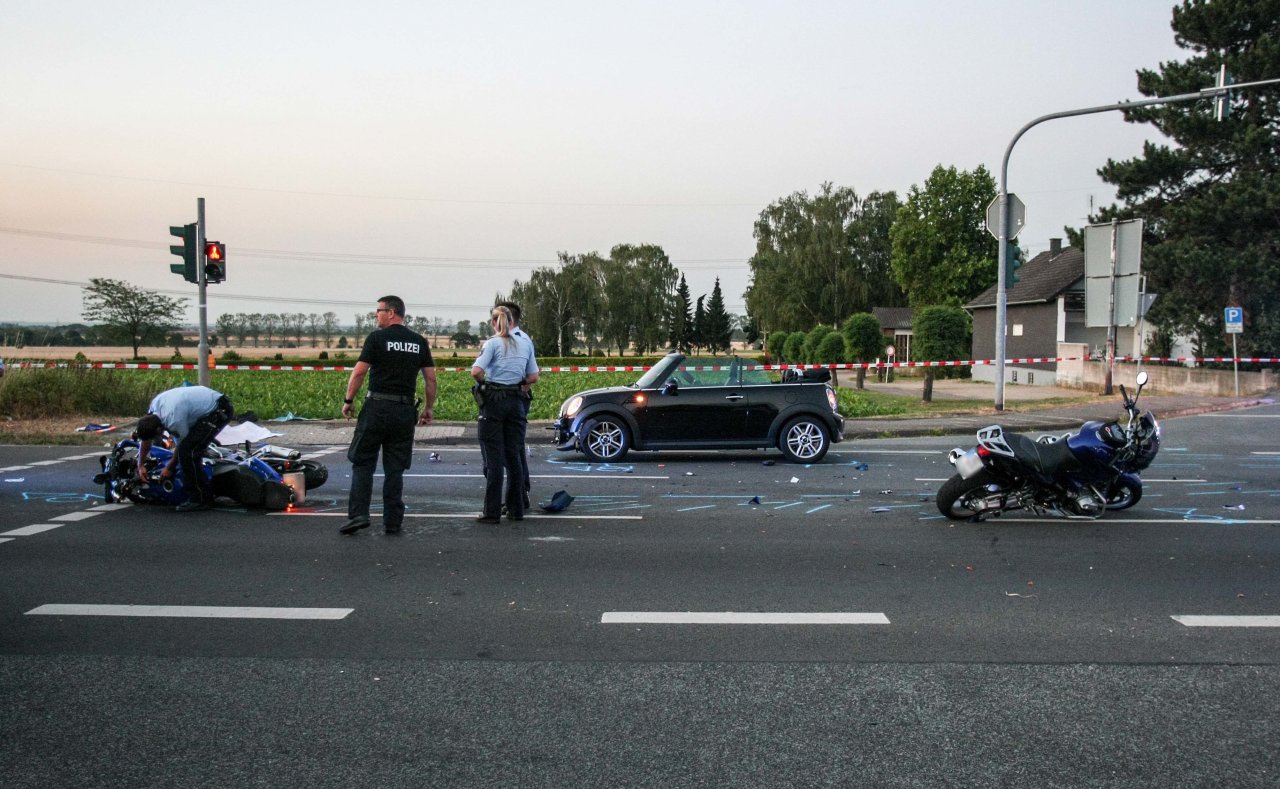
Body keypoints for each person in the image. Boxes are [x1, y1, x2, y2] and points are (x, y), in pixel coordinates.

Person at [340, 296, 437, 536]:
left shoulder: (376, 338)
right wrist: (428, 408)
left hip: (377, 408)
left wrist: (349, 400)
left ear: (392, 312)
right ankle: (393, 521)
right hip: (404, 412)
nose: (376, 315)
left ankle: (359, 514)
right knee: (395, 468)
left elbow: (360, 372)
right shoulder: (418, 341)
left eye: (379, 311)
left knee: (363, 462)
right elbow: (430, 378)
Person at [471, 305, 538, 523]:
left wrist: (486, 383)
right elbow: (534, 376)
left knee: (494, 459)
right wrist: (520, 383)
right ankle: (516, 508)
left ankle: (491, 512)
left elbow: (476, 371)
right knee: (514, 457)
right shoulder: (525, 343)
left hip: (494, 402)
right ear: (511, 321)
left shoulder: (491, 344)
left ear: (493, 322)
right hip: (516, 402)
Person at [135, 385, 234, 512]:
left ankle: (201, 499)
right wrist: (140, 464)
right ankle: (201, 480)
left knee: (188, 452)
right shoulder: (154, 408)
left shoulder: (174, 420)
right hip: (205, 407)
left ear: (159, 429)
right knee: (192, 445)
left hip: (220, 410)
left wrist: (169, 468)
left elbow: (181, 446)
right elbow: (146, 440)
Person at [494, 299, 533, 509]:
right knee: (514, 450)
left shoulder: (515, 340)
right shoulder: (522, 338)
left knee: (510, 451)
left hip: (508, 400)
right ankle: (519, 494)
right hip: (517, 399)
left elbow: (529, 375)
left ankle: (518, 495)